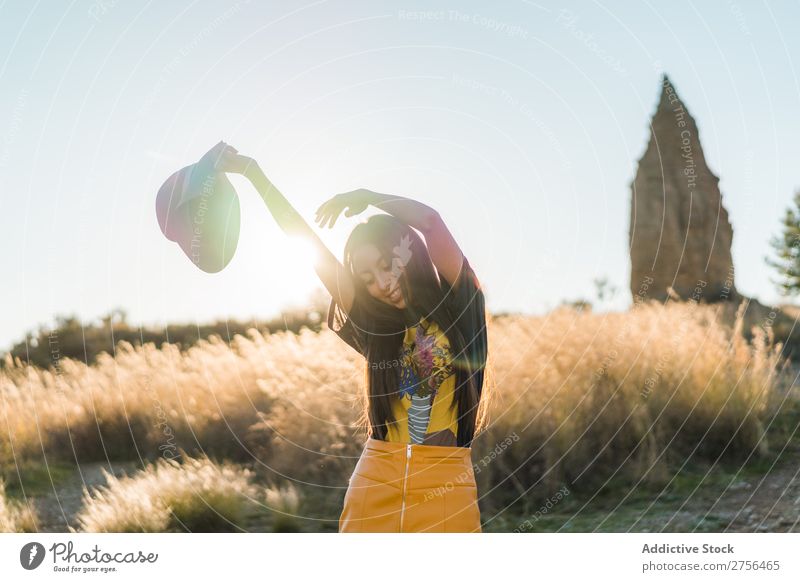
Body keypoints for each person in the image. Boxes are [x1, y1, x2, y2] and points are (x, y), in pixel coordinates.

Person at [213, 142, 493, 532]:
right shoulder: (375, 329)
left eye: (384, 265)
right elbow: (305, 241)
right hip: (375, 482)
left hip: (447, 490)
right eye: (366, 278)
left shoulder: (461, 308)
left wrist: (370, 198)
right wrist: (254, 174)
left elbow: (430, 222)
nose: (381, 284)